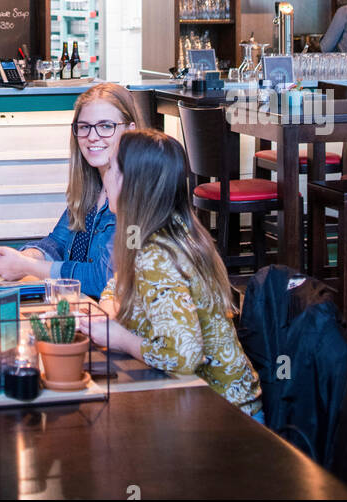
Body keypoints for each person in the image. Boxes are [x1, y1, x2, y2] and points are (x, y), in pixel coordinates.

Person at [81, 128, 263, 419]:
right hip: (224, 402)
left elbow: (183, 356)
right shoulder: (171, 228)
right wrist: (110, 308)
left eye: (112, 168)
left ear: (133, 185)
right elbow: (117, 284)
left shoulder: (157, 255)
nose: (105, 177)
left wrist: (120, 338)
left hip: (224, 418)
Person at [0, 83, 137, 298]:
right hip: (81, 310)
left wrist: (27, 266)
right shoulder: (91, 186)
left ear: (130, 130)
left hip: (115, 322)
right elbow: (58, 242)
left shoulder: (137, 194)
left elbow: (106, 279)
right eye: (84, 126)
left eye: (106, 126)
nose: (92, 136)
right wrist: (27, 256)